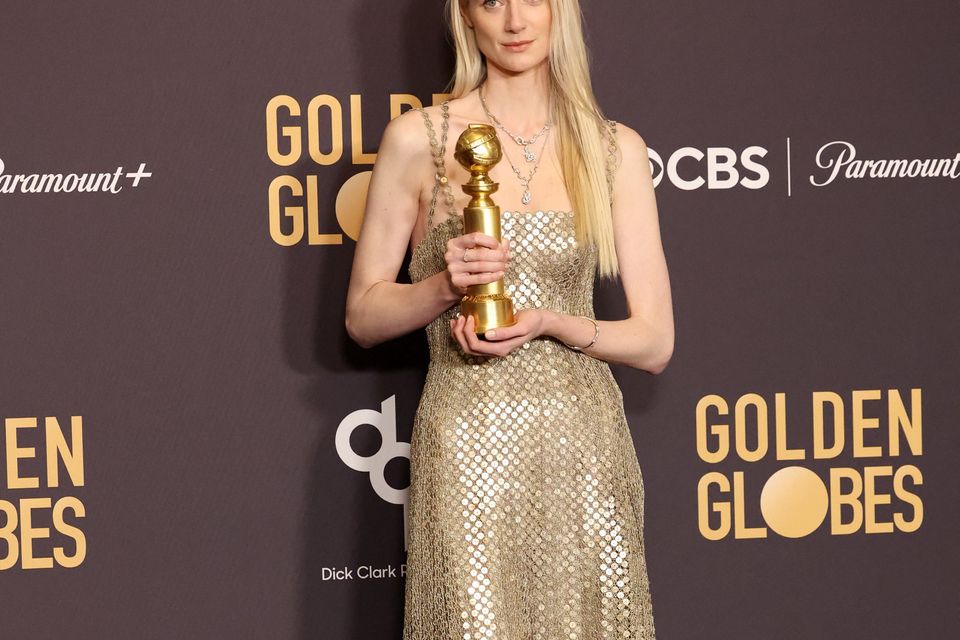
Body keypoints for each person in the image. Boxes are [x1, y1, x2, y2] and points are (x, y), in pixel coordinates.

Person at [345, 0, 674, 637]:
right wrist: (445, 285)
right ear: (465, 16)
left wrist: (554, 321)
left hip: (584, 449)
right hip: (467, 445)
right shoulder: (422, 139)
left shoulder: (613, 149)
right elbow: (362, 316)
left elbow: (655, 341)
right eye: (491, 2)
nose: (514, 21)